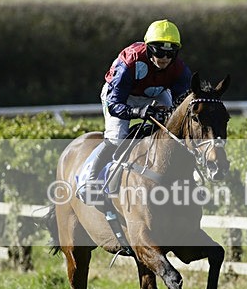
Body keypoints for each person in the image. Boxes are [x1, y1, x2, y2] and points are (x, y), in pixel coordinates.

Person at [76, 19, 193, 203]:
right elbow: (115, 105)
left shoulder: (180, 70)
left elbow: (184, 104)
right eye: (159, 51)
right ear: (148, 48)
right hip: (121, 96)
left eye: (170, 53)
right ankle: (89, 179)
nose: (164, 58)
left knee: (174, 132)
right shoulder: (130, 62)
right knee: (117, 137)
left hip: (156, 94)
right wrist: (139, 112)